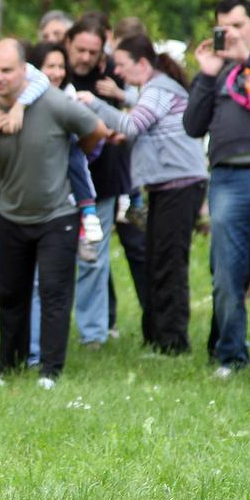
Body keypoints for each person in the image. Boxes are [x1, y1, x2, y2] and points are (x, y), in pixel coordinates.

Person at [0, 39, 108, 388]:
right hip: (11, 216)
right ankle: (8, 367)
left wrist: (73, 155)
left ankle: (50, 371)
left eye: (6, 71)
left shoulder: (53, 103)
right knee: (10, 294)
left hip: (58, 216)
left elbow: (95, 130)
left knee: (54, 294)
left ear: (24, 71)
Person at [78, 34, 209, 354]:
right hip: (166, 186)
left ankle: (174, 343)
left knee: (169, 264)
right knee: (156, 260)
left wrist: (93, 104)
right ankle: (156, 337)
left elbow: (132, 125)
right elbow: (145, 132)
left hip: (181, 185)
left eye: (122, 65)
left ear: (142, 63)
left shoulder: (158, 88)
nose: (118, 71)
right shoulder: (151, 88)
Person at [183, 0, 250, 378]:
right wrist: (207, 73)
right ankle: (230, 355)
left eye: (238, 25)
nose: (230, 33)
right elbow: (193, 126)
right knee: (227, 272)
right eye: (223, 26)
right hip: (228, 177)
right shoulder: (218, 73)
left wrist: (248, 57)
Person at [62, 18, 141, 349]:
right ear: (68, 43)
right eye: (79, 49)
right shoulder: (52, 72)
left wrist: (114, 103)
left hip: (104, 179)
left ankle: (92, 333)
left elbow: (139, 113)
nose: (85, 57)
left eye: (92, 52)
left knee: (93, 255)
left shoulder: (113, 77)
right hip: (59, 178)